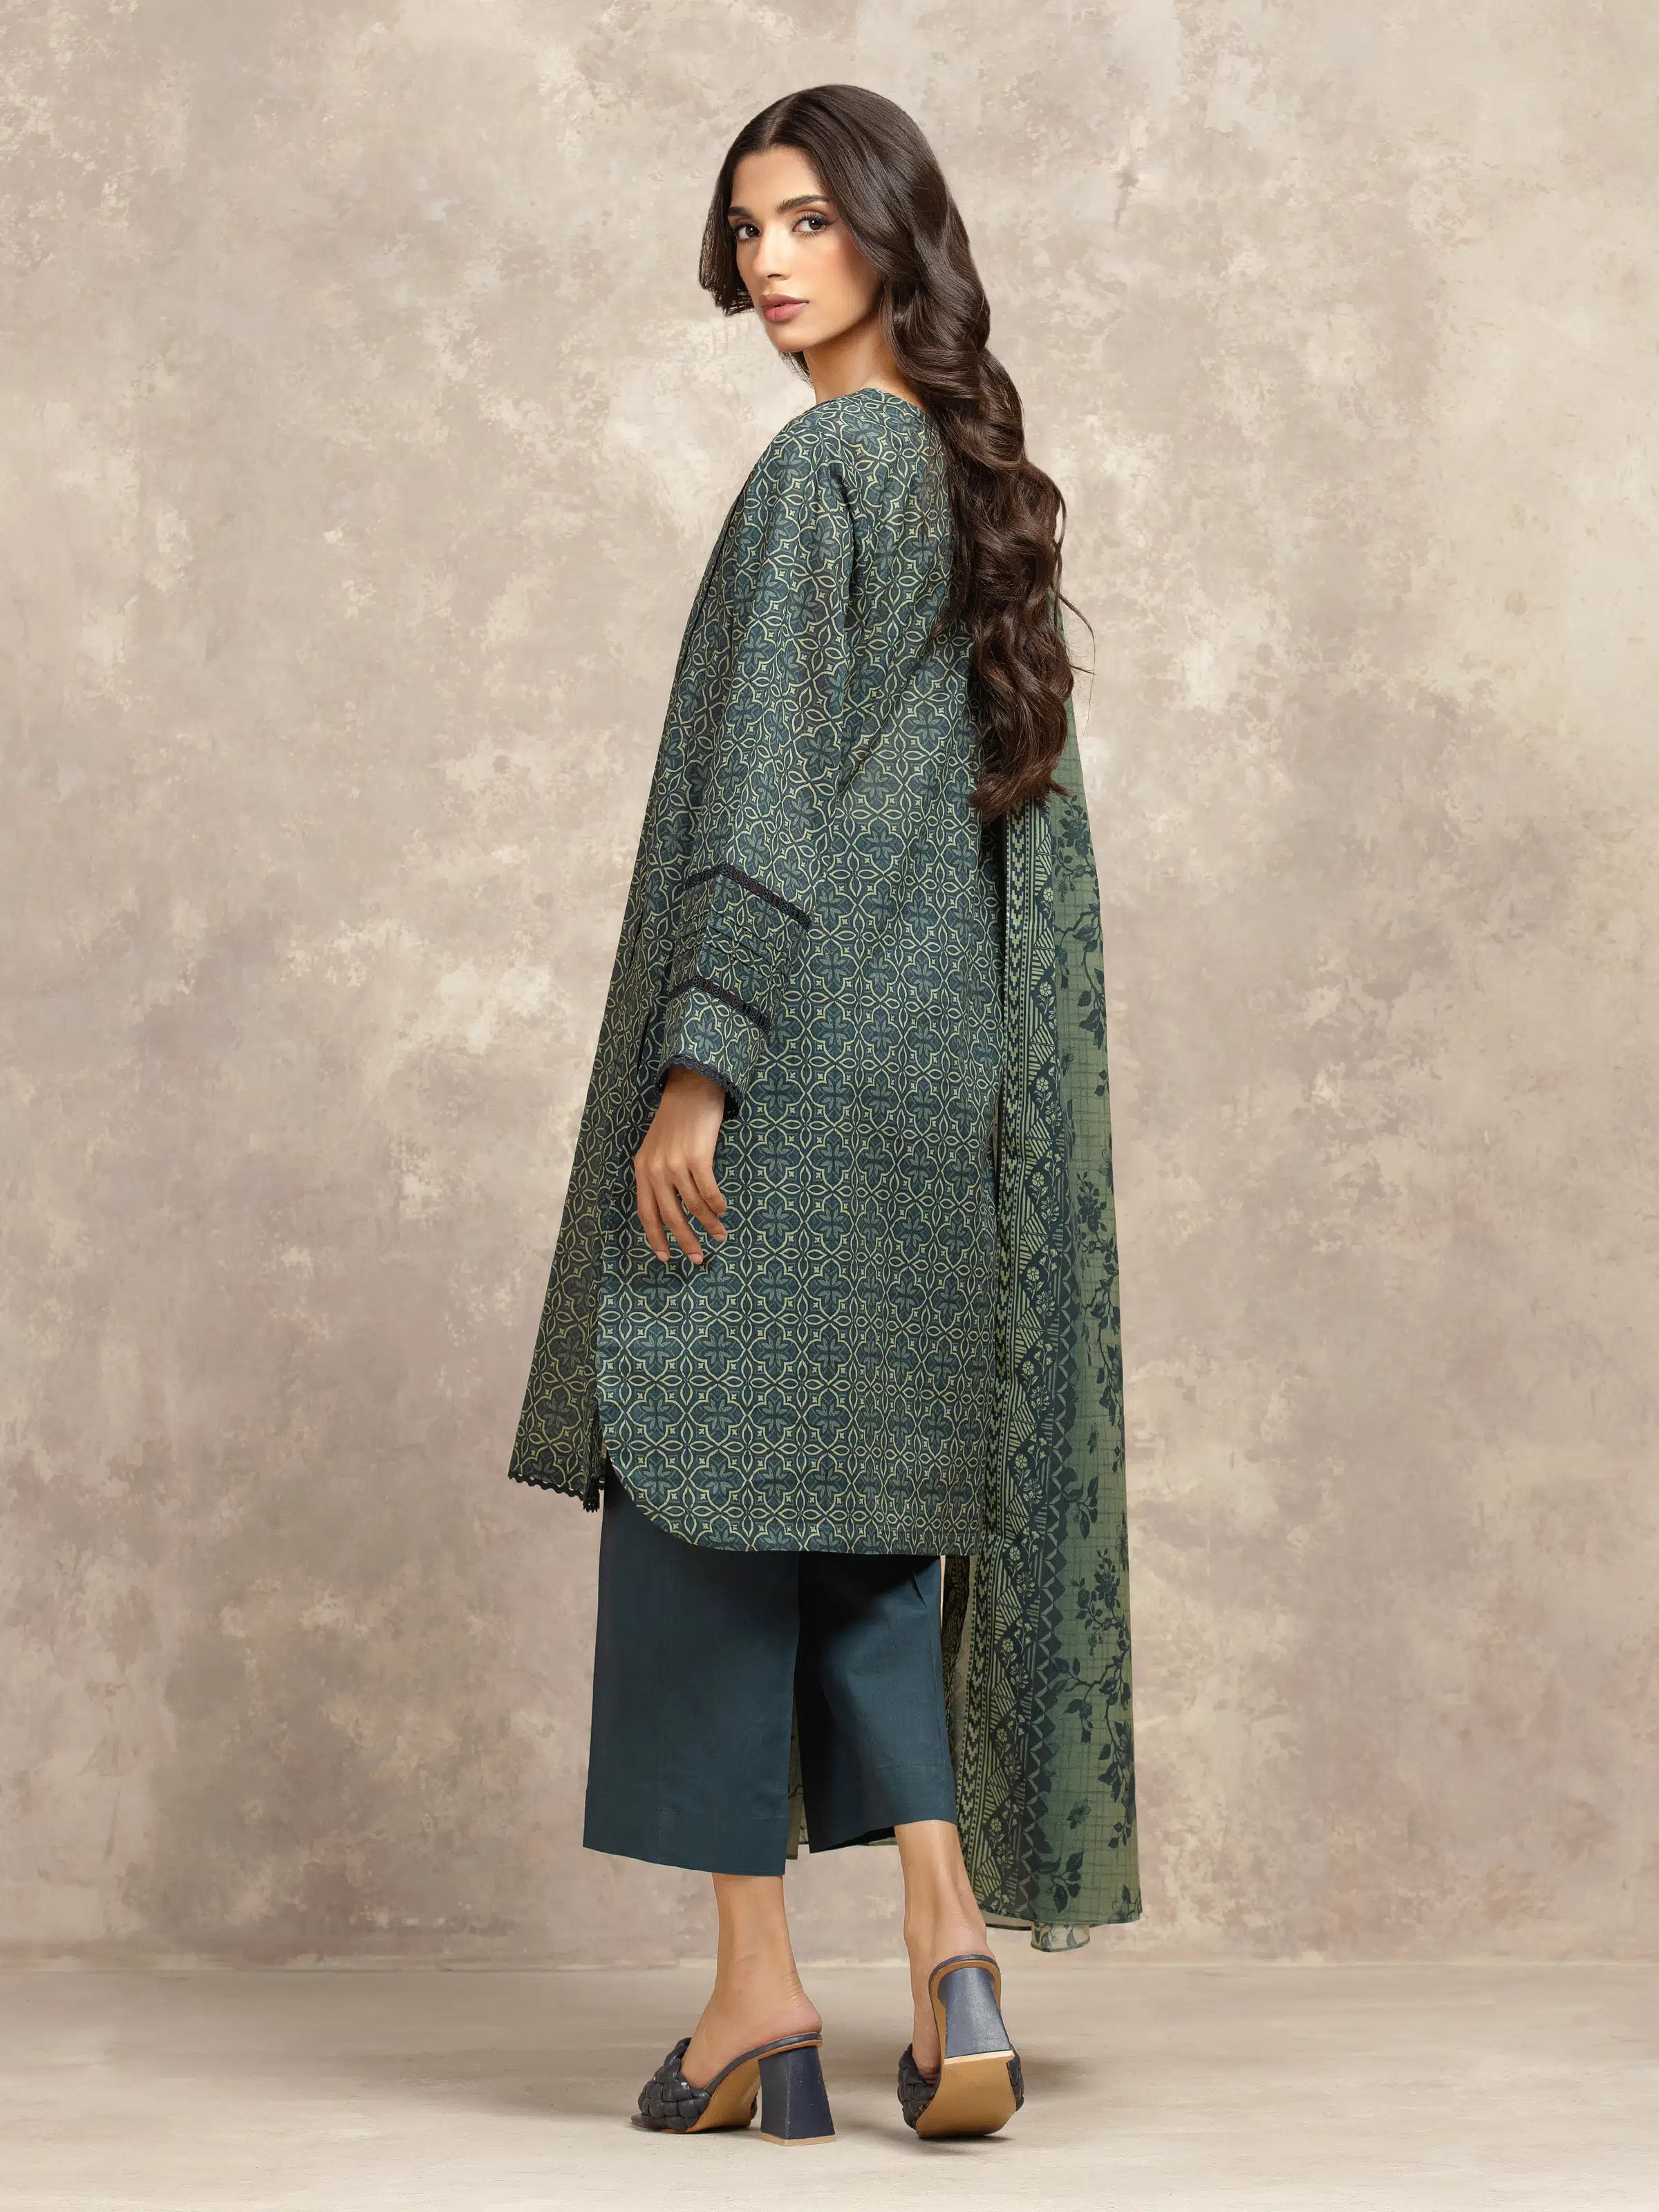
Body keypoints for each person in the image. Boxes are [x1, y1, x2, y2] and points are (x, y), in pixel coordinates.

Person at [507, 84, 1141, 2145]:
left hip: (786, 1066)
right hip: (931, 1081)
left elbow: (765, 786)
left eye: (806, 220)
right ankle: (951, 1962)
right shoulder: (970, 481)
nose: (769, 261)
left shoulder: (822, 468)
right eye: (746, 228)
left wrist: (700, 1064)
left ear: (890, 233)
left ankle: (756, 2000)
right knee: (865, 1525)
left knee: (702, 1502)